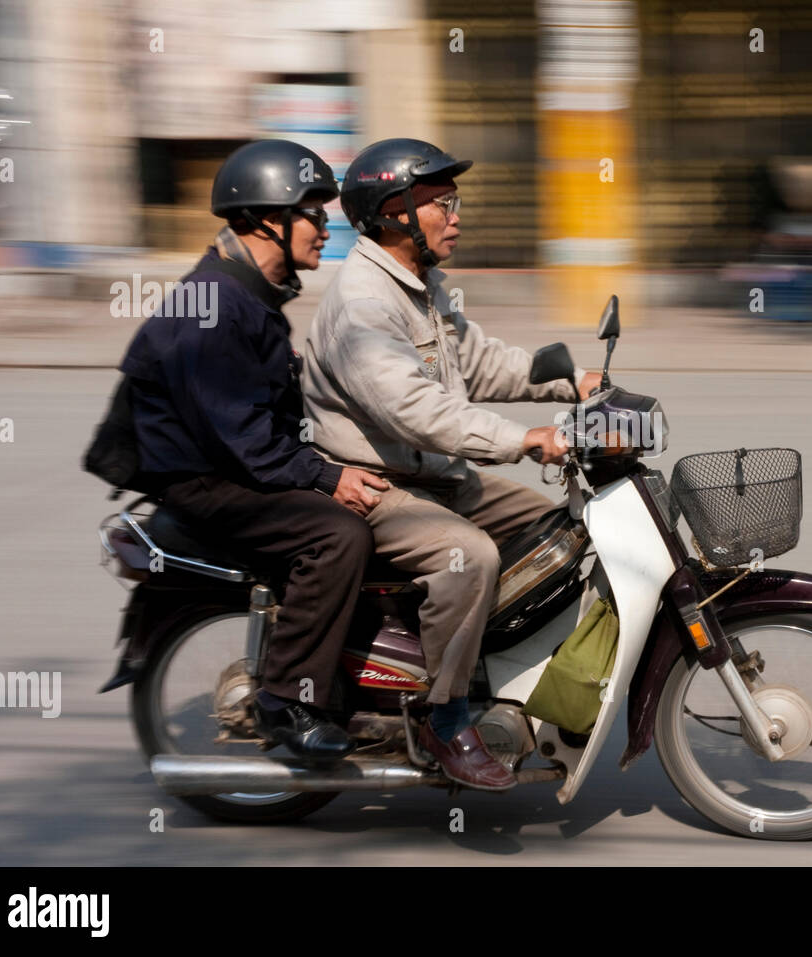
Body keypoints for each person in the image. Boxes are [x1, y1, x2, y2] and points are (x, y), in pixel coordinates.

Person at [302, 138, 601, 791]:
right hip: (380, 485)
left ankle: (506, 667)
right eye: (441, 203)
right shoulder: (362, 302)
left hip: (434, 474)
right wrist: (525, 440)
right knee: (471, 557)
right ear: (392, 213)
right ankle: (445, 713)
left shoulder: (422, 286)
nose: (456, 216)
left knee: (570, 524)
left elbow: (480, 361)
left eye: (455, 202)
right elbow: (418, 411)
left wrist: (573, 380)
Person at [119, 139, 389, 764]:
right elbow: (243, 440)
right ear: (268, 218)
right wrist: (328, 478)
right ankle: (286, 701)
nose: (327, 229)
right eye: (314, 215)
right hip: (206, 478)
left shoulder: (248, 293)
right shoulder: (215, 305)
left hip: (232, 461)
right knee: (336, 536)